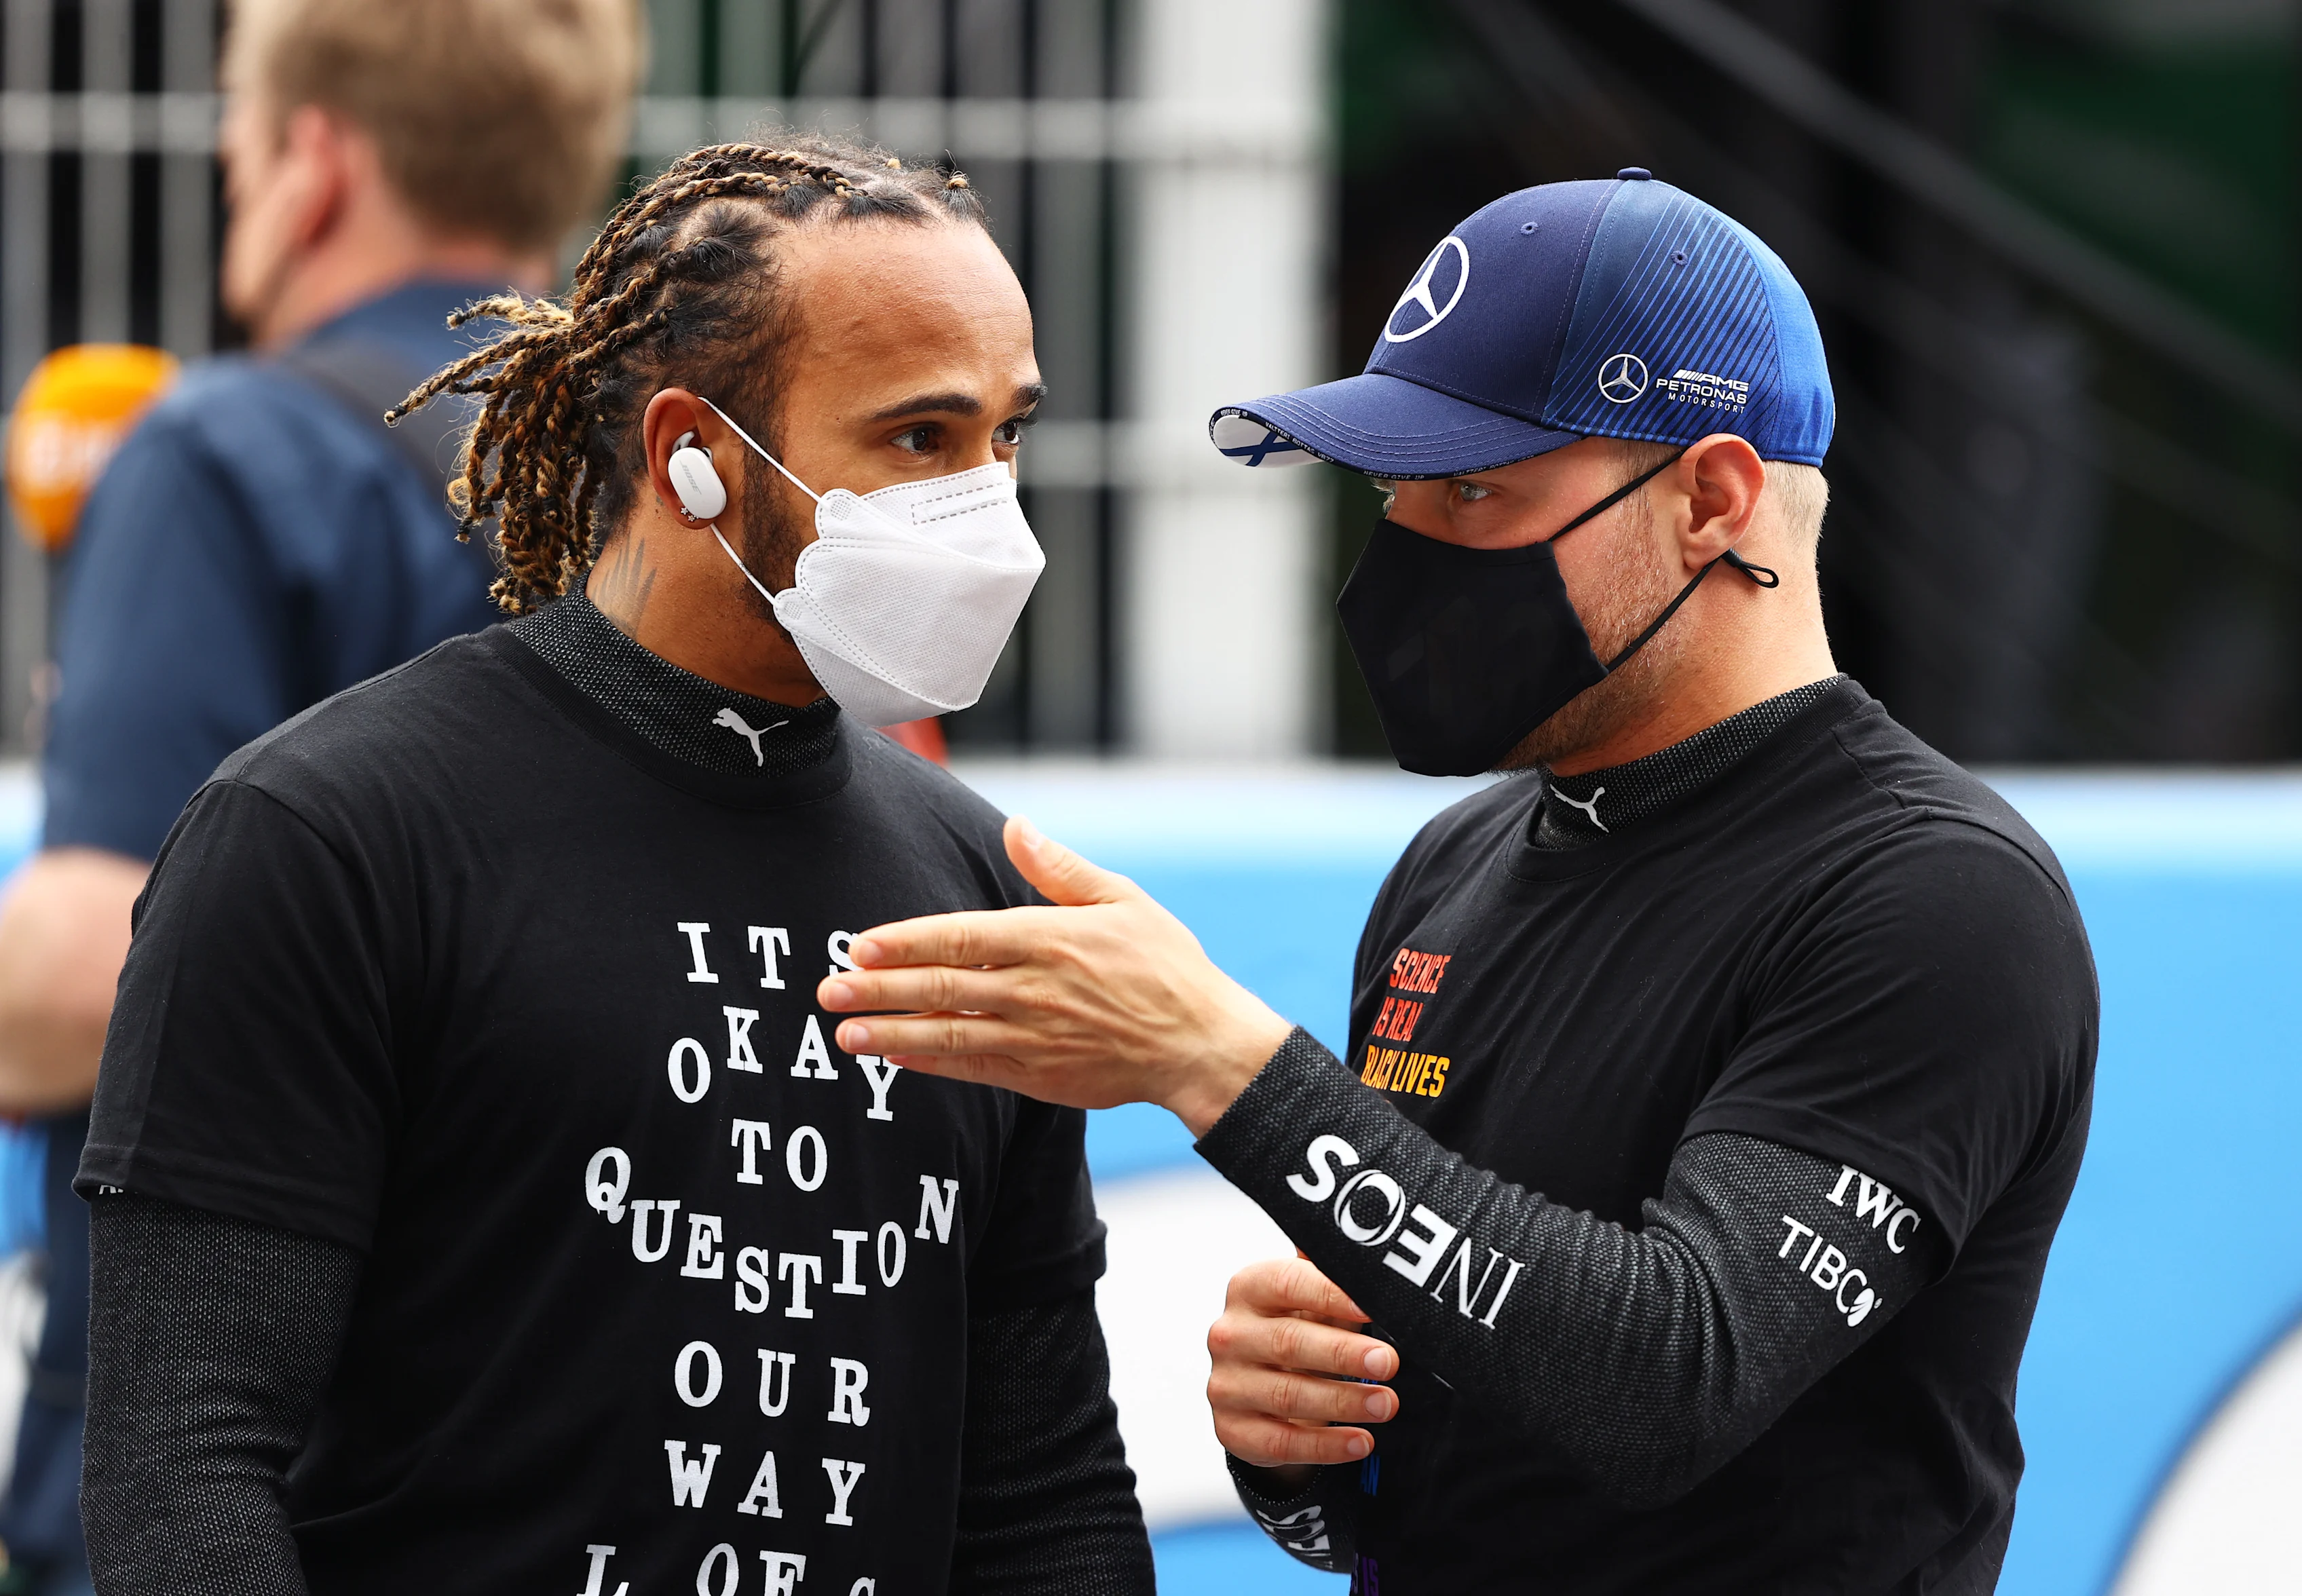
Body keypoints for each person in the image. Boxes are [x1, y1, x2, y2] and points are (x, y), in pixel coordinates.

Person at [812, 171, 2098, 1593]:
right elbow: (1463, 1415)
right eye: (1394, 489)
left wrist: (1221, 1066)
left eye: (1475, 489)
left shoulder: (1931, 897)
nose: (1408, 549)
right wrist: (1306, 1454)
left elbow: (1671, 1382)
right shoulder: (1457, 866)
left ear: (1713, 500)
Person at [75, 136, 1155, 1596]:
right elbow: (185, 1459)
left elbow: (1045, 1494)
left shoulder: (981, 880)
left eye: (1004, 435)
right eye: (919, 439)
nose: (987, 505)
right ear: (689, 457)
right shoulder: (332, 834)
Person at [0, 3, 639, 1590]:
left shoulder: (229, 454)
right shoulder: (666, 476)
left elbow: (88, 974)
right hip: (573, 1445)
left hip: (249, 1463)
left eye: (234, 141)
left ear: (310, 160)